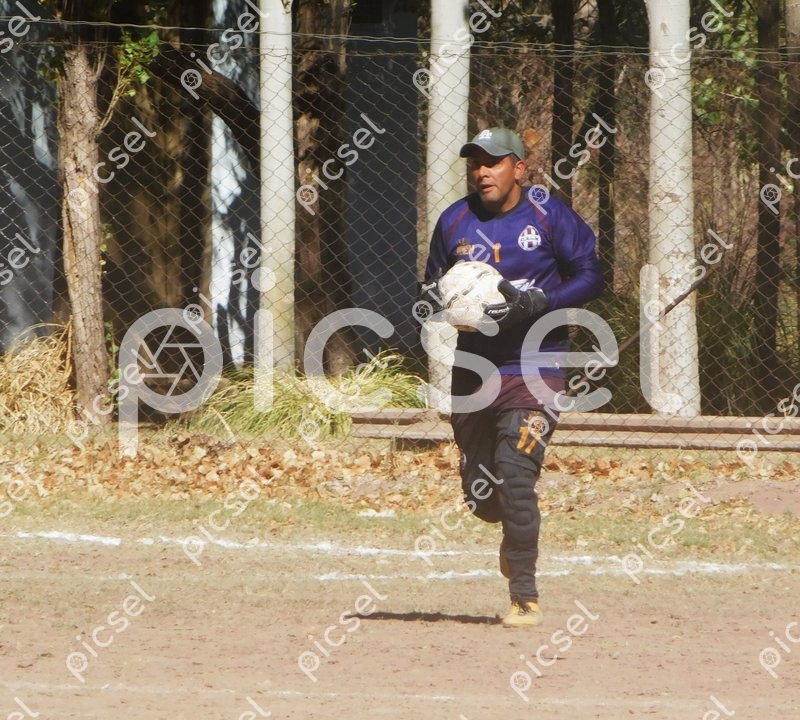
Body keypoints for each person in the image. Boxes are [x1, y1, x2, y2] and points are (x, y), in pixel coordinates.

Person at [417, 127, 604, 627]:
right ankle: (506, 524)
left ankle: (524, 594)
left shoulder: (548, 215)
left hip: (537, 366)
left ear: (519, 168)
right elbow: (432, 286)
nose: (482, 172)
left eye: (494, 162)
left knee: (517, 477)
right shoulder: (454, 220)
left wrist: (541, 301)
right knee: (485, 498)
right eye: (475, 163)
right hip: (474, 370)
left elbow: (591, 275)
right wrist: (435, 300)